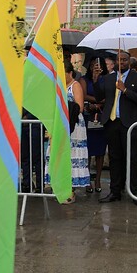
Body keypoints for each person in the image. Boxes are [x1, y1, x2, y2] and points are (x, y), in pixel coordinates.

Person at [94, 50, 137, 204]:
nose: (122, 63)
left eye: (125, 60)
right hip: (112, 123)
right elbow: (99, 98)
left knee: (132, 159)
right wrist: (96, 80)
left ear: (129, 62)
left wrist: (125, 90)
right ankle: (115, 191)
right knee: (115, 158)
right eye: (119, 60)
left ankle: (135, 193)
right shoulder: (108, 78)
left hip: (130, 124)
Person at [47, 61, 90, 203]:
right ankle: (60, 185)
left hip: (73, 125)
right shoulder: (58, 86)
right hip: (59, 124)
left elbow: (79, 107)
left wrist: (64, 107)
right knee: (58, 154)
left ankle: (70, 190)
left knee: (71, 155)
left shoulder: (75, 86)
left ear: (70, 73)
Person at [82, 56, 108, 193]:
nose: (94, 68)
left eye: (97, 66)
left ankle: (97, 179)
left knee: (100, 151)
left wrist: (99, 104)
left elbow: (108, 96)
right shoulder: (84, 80)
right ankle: (87, 180)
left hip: (101, 116)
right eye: (92, 65)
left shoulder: (106, 79)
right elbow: (84, 95)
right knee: (88, 150)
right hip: (88, 115)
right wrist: (97, 101)